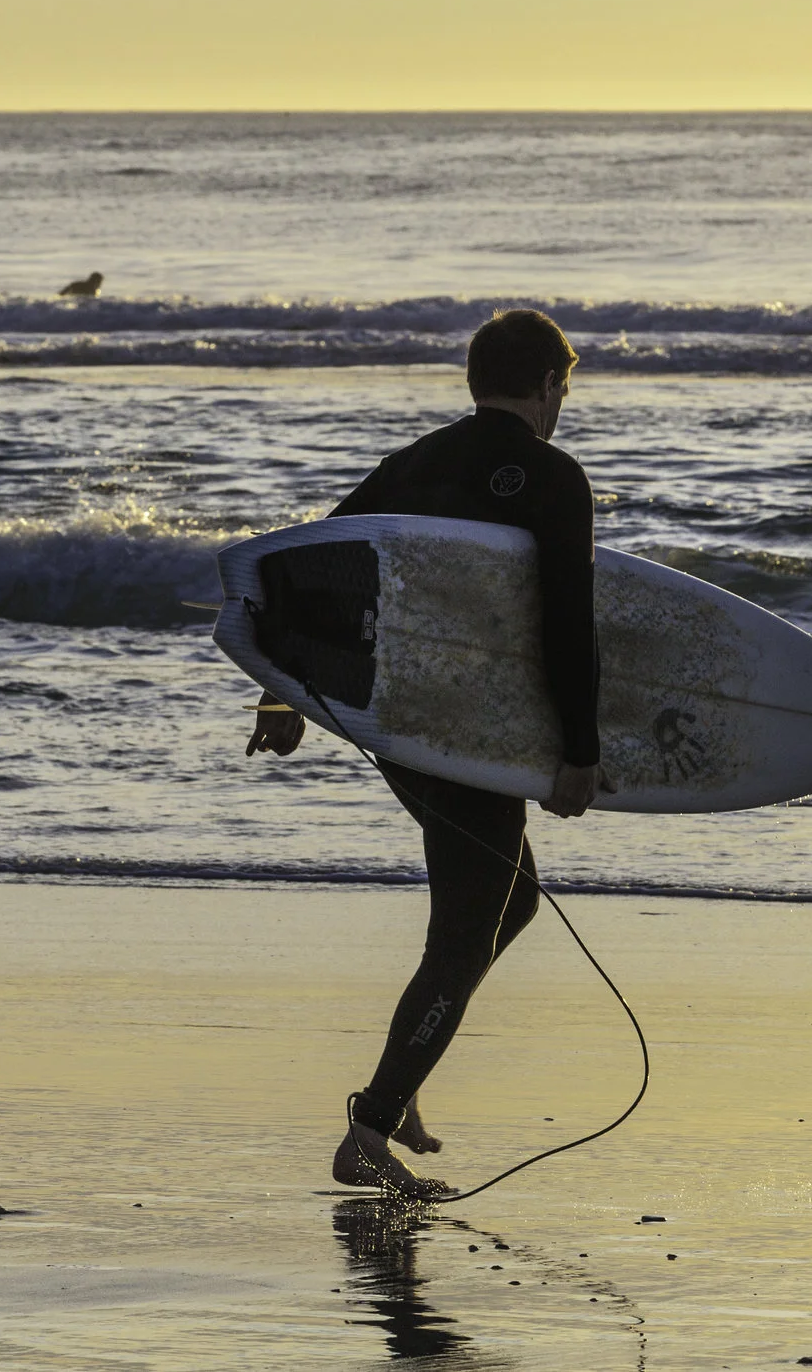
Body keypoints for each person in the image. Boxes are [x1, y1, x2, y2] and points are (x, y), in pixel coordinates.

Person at [244, 307, 605, 1199]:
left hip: (405, 727)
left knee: (513, 899)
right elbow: (568, 621)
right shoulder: (556, 477)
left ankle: (400, 1086)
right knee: (464, 931)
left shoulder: (413, 462)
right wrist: (579, 750)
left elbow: (307, 569)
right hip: (476, 733)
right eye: (564, 388)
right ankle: (369, 1130)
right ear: (549, 385)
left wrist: (281, 691)